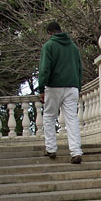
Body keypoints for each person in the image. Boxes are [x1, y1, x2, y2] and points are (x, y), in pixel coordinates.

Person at [38, 21, 83, 164]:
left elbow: (45, 68)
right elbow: (79, 68)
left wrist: (41, 88)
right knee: (72, 120)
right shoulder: (73, 47)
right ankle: (76, 151)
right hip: (72, 86)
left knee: (49, 116)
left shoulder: (49, 46)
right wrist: (77, 86)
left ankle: (51, 148)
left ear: (50, 32)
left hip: (54, 86)